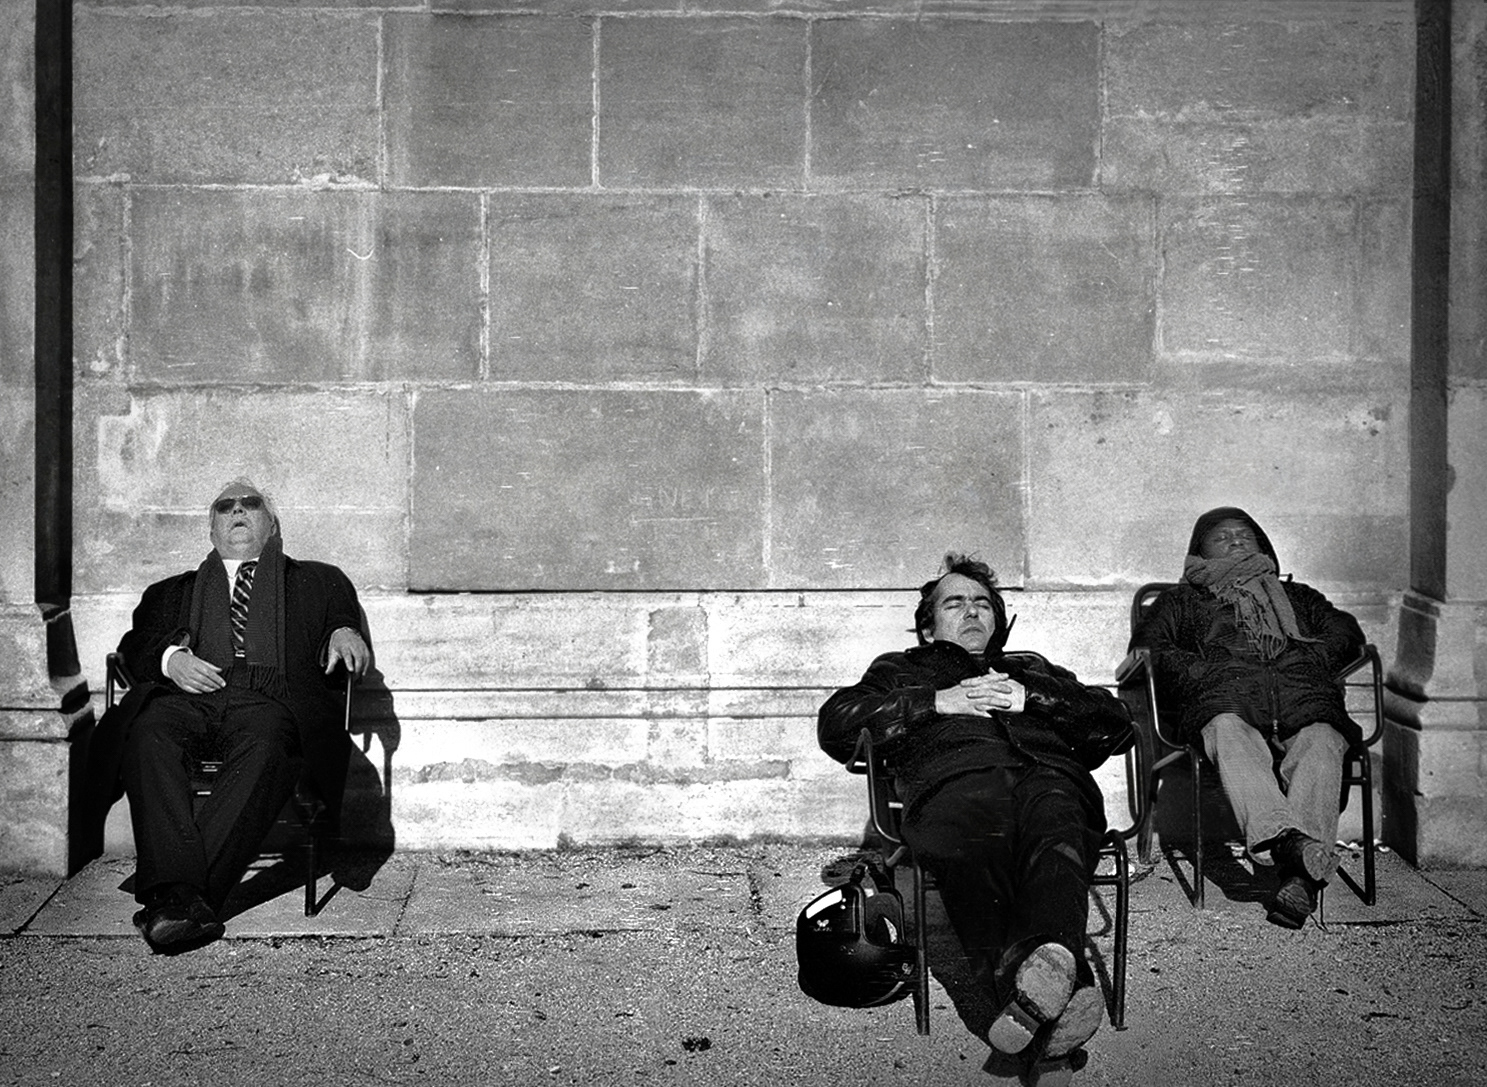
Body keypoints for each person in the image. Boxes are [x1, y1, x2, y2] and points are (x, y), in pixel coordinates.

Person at [818, 554, 1133, 1067]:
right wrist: (937, 702)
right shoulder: (901, 669)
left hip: (1049, 776)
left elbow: (1117, 726)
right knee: (979, 834)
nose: (972, 613)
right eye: (955, 602)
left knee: (1058, 830)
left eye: (983, 604)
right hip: (955, 784)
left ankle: (1036, 1003)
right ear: (927, 626)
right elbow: (836, 724)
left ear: (999, 620)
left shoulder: (1031, 669)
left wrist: (1035, 699)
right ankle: (1060, 987)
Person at [87, 478, 371, 953]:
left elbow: (338, 615)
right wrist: (170, 660)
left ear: (272, 524)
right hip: (189, 696)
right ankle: (184, 904)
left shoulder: (317, 580)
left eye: (251, 504)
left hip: (268, 701)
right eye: (226, 507)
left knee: (268, 744)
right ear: (212, 530)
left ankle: (175, 899)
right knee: (149, 731)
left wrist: (343, 630)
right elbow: (133, 648)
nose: (238, 511)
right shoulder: (170, 591)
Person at [1129, 506, 1365, 929]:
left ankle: (1298, 875)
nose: (1236, 540)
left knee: (1324, 738)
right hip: (1227, 703)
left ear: (1263, 544)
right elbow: (1150, 649)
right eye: (1222, 536)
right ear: (1200, 551)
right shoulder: (1183, 600)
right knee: (1228, 731)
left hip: (1302, 698)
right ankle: (1294, 852)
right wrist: (1203, 671)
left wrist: (1311, 656)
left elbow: (1346, 633)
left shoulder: (1299, 597)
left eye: (1245, 534)